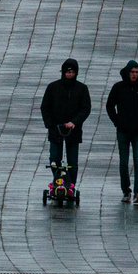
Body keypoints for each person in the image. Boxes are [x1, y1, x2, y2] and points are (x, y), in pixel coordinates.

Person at [105, 60, 138, 204]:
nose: (134, 75)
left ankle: (137, 191)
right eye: (132, 72)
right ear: (127, 72)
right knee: (123, 162)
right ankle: (126, 191)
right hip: (123, 131)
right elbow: (110, 106)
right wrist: (117, 121)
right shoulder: (118, 88)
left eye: (136, 72)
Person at [40, 58, 92, 195]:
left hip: (73, 130)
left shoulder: (81, 89)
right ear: (63, 72)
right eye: (68, 72)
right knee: (54, 160)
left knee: (72, 163)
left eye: (73, 72)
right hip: (55, 129)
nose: (70, 75)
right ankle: (58, 182)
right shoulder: (53, 87)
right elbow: (45, 107)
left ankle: (71, 185)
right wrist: (50, 124)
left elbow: (85, 108)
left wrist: (74, 122)